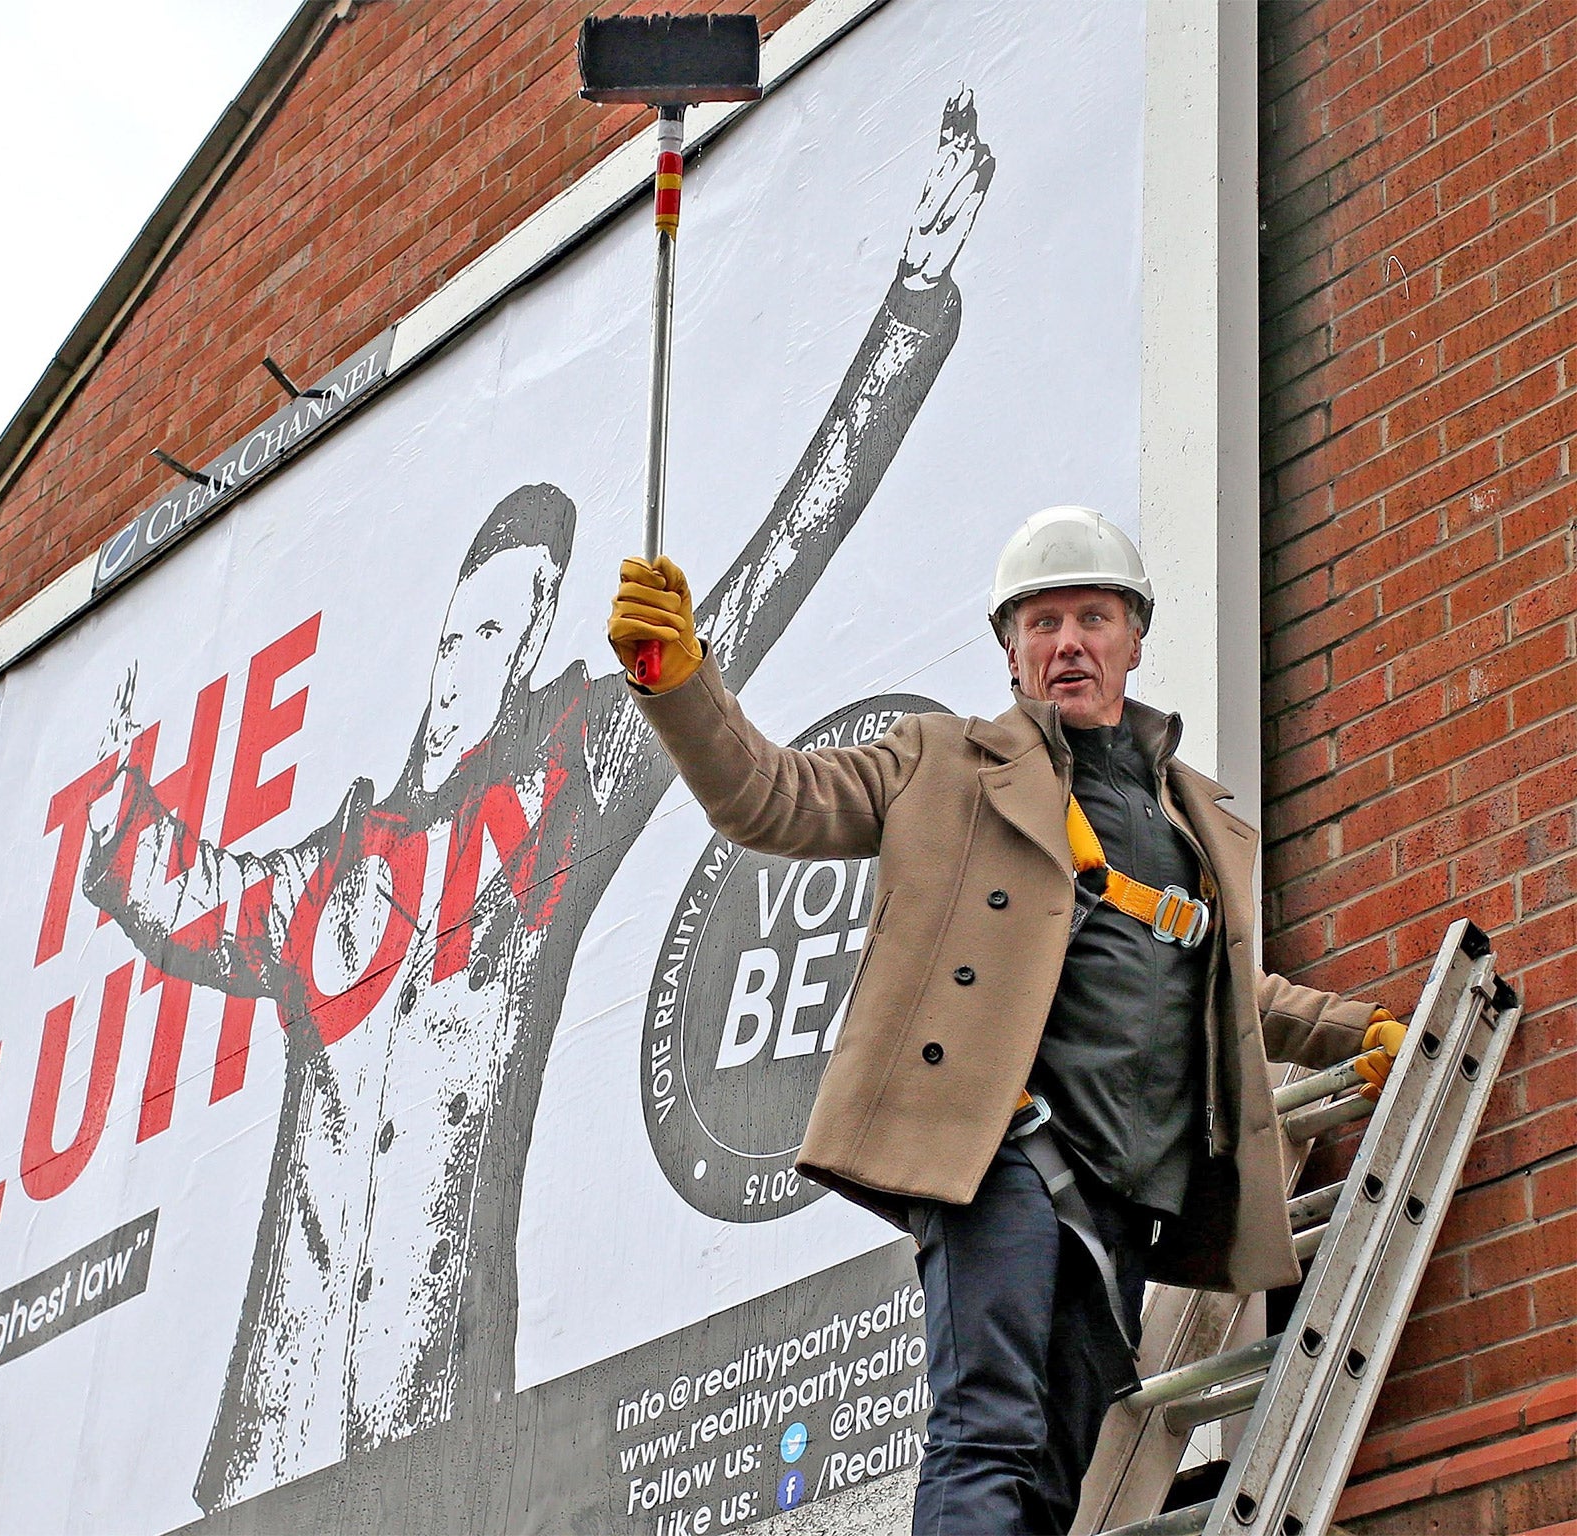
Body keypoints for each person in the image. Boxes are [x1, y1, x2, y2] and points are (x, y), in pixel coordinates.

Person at [80, 93, 995, 1525]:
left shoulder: (559, 804)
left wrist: (909, 307)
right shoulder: (327, 880)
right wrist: (121, 777)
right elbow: (174, 888)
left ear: (534, 649)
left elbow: (768, 573)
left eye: (503, 639)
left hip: (438, 1450)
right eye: (456, 637)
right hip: (256, 1469)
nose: (468, 670)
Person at [608, 504, 1405, 1535]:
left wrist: (1357, 1032)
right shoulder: (941, 764)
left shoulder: (1187, 823)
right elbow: (769, 797)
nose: (1066, 642)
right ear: (1009, 651)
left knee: (1052, 1472)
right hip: (1002, 1149)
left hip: (1129, 1192)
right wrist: (679, 685)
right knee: (986, 1424)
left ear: (1131, 638)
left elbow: (1227, 994)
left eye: (1090, 617)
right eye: (1040, 622)